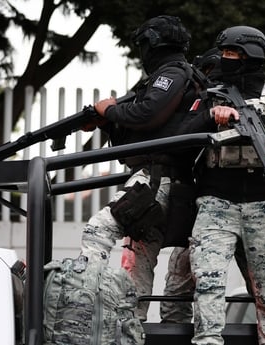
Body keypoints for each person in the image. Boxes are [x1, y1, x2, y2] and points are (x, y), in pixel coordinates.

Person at [184, 26, 265, 345]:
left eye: (230, 54)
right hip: (216, 202)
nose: (224, 60)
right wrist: (211, 116)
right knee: (209, 284)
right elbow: (183, 132)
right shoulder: (208, 92)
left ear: (249, 57)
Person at [81, 15, 200, 324]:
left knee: (98, 231)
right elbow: (133, 135)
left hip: (157, 181)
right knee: (138, 261)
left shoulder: (172, 74)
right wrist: (109, 122)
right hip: (160, 181)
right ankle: (130, 328)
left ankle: (78, 298)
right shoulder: (163, 78)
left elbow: (149, 114)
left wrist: (110, 110)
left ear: (153, 45)